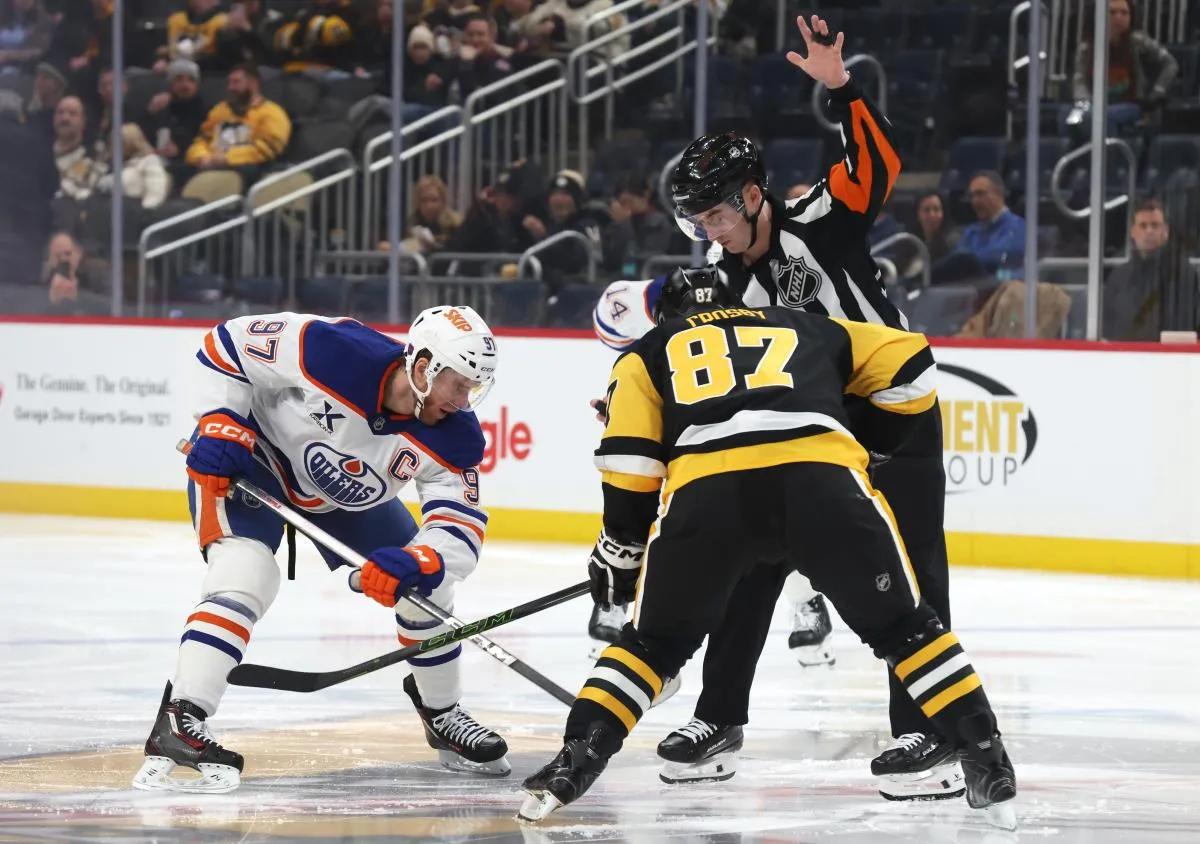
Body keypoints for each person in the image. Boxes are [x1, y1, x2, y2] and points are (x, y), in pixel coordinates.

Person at [605, 13, 959, 800]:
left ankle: (930, 729)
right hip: (807, 426)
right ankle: (720, 718)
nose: (709, 231)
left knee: (911, 565)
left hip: (892, 410)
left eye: (718, 215)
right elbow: (687, 364)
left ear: (755, 195)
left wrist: (841, 87)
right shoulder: (722, 280)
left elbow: (875, 164)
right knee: (750, 558)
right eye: (698, 220)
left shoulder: (820, 224)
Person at [518, 269, 1017, 827]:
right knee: (907, 629)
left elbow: (631, 462)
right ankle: (987, 756)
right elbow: (913, 367)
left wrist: (622, 550)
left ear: (667, 318)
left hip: (710, 496)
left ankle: (575, 763)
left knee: (652, 647)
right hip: (821, 483)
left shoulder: (647, 352)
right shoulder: (804, 325)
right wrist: (857, 437)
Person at [132, 306, 510, 793]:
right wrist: (220, 418)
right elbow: (225, 346)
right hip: (255, 466)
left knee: (427, 589)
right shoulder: (332, 349)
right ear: (423, 367)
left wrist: (422, 560)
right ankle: (180, 719)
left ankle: (441, 713)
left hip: (347, 500)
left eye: (474, 389)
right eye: (458, 384)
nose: (464, 401)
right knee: (246, 576)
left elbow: (459, 524)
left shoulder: (455, 435)